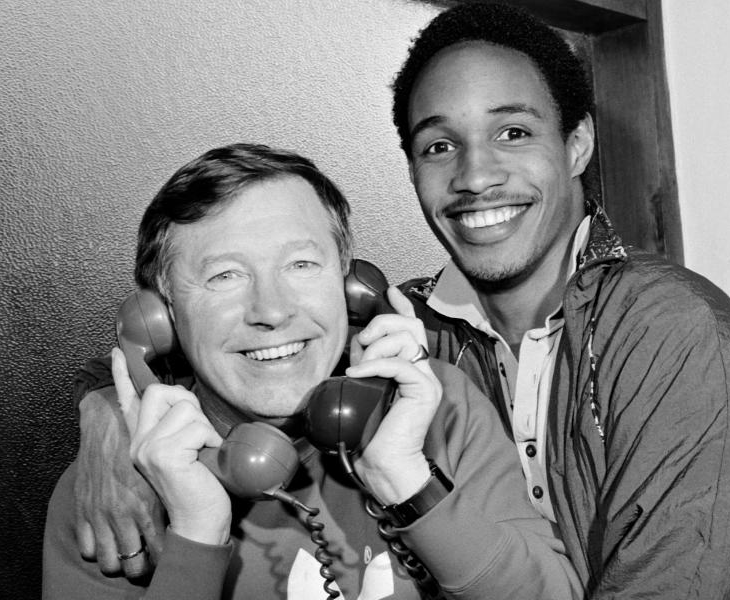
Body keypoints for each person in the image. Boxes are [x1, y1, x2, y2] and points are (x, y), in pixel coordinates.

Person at [69, 3, 730, 598]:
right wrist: (111, 412)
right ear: (411, 170)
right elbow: (258, 344)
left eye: (511, 133)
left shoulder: (677, 337)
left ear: (576, 145)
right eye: (439, 145)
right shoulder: (406, 334)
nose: (475, 176)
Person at [42, 143, 582, 599]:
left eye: (302, 265)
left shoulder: (441, 407)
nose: (272, 312)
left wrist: (406, 479)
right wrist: (196, 537)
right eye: (226, 276)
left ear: (349, 288)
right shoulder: (111, 487)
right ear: (159, 319)